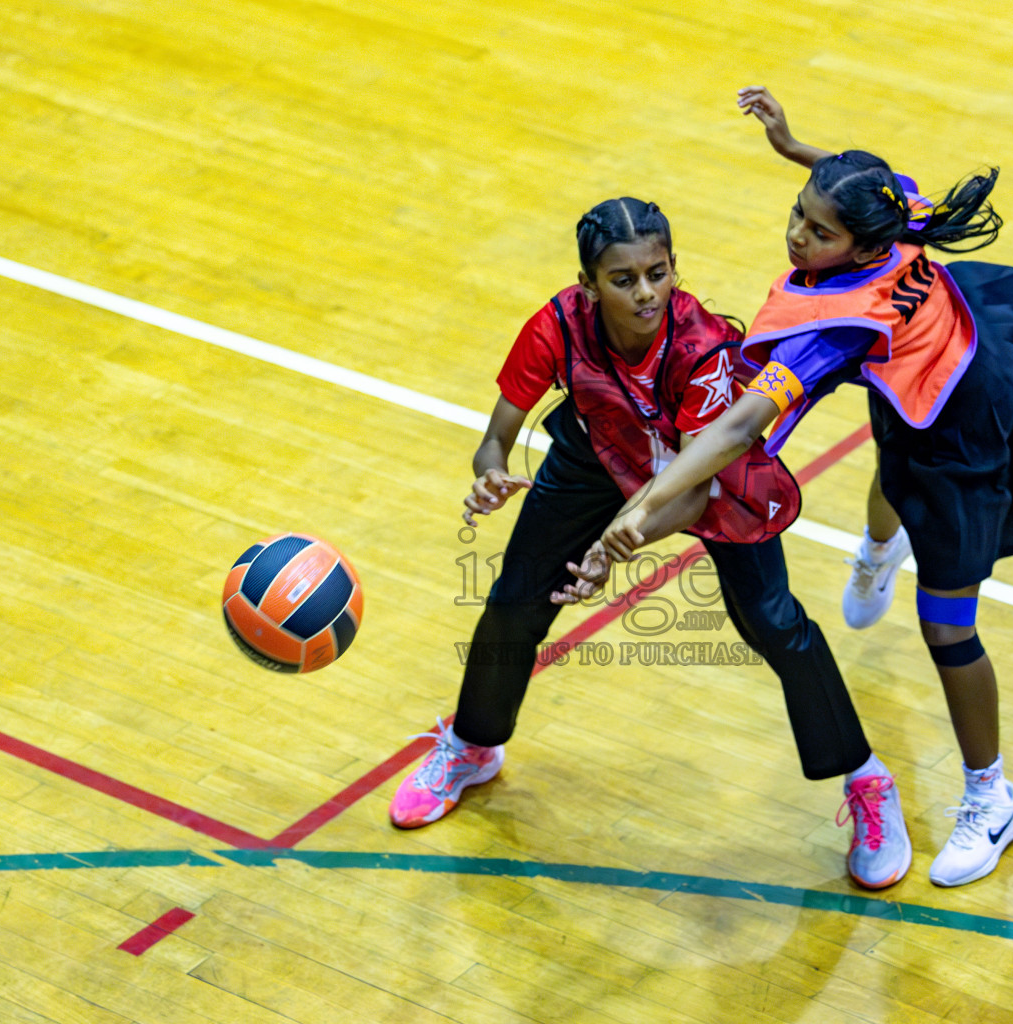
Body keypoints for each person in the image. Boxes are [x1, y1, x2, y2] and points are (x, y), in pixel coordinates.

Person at [593, 90, 1013, 887]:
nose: (798, 235)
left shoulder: (838, 326)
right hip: (928, 369)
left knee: (947, 627)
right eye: (799, 215)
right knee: (892, 439)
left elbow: (738, 429)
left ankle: (995, 797)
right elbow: (871, 185)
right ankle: (881, 546)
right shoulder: (888, 213)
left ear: (859, 244)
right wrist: (796, 147)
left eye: (820, 231)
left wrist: (641, 506)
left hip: (969, 428)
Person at [390, 197, 915, 891]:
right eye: (623, 279)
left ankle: (867, 781)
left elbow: (689, 494)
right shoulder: (558, 326)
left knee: (775, 624)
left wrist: (614, 548)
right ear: (588, 285)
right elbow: (496, 438)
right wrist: (490, 475)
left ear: (674, 269)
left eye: (658, 273)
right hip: (596, 452)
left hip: (699, 470)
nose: (645, 293)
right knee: (514, 604)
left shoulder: (704, 350)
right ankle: (472, 746)